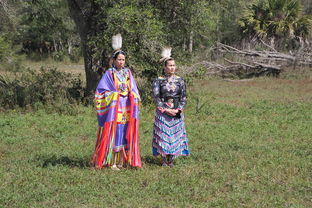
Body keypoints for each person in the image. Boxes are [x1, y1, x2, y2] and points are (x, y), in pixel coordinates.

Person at [92, 34, 142, 170]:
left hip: (126, 108)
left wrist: (133, 95)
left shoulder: (128, 73)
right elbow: (100, 92)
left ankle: (123, 161)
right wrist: (114, 95)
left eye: (123, 59)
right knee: (116, 131)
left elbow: (134, 89)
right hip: (115, 109)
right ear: (113, 60)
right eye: (119, 59)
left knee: (125, 131)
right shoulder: (109, 73)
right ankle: (112, 161)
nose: (121, 62)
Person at [152, 49, 190, 167]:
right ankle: (164, 159)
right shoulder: (158, 80)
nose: (172, 68)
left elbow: (183, 97)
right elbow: (156, 97)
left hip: (176, 110)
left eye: (174, 65)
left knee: (174, 136)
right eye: (169, 65)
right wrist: (165, 109)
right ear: (164, 67)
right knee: (164, 135)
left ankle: (171, 160)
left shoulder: (180, 80)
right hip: (163, 112)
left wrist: (178, 109)